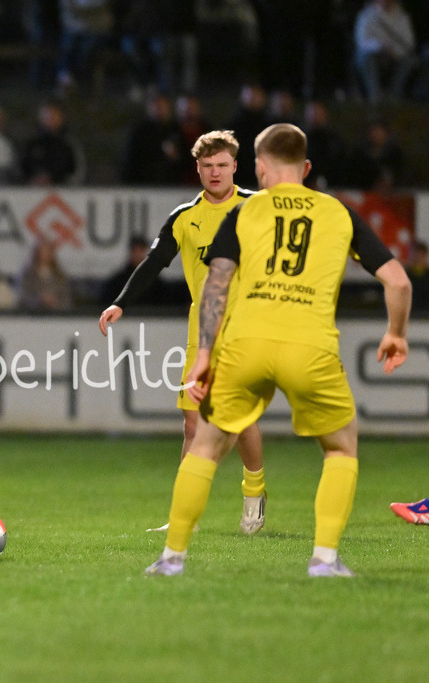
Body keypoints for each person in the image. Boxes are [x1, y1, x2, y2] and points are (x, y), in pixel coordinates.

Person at [145, 123, 411, 578]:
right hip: (310, 345)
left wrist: (205, 353)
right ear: (306, 168)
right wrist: (396, 332)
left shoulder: (244, 213)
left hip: (245, 343)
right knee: (341, 447)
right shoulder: (338, 213)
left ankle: (171, 558)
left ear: (259, 168)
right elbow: (399, 281)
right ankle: (324, 559)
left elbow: (217, 284)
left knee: (205, 444)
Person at [100, 131, 266, 534]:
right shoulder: (184, 217)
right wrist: (122, 301)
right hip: (202, 331)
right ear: (197, 168)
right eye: (208, 166)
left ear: (234, 167)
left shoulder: (255, 208)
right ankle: (183, 518)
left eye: (222, 165)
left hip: (246, 327)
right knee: (192, 425)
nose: (215, 172)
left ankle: (254, 493)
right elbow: (155, 260)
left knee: (240, 420)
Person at [353, 0, 417, 105]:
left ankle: (394, 96)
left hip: (395, 56)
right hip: (375, 56)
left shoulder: (402, 17)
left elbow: (409, 43)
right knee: (366, 58)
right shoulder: (366, 16)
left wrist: (394, 51)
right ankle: (375, 97)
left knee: (409, 61)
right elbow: (361, 42)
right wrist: (380, 46)